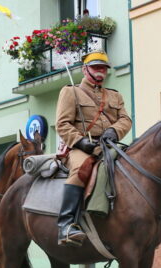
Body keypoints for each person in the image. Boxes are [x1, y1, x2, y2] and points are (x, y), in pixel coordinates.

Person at [55, 51, 131, 246]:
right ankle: (66, 225)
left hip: (109, 144)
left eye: (103, 68)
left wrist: (114, 131)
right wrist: (80, 142)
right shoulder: (71, 91)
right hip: (83, 146)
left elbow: (125, 119)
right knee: (81, 169)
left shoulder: (114, 95)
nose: (100, 72)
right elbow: (62, 124)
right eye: (96, 67)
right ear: (84, 69)